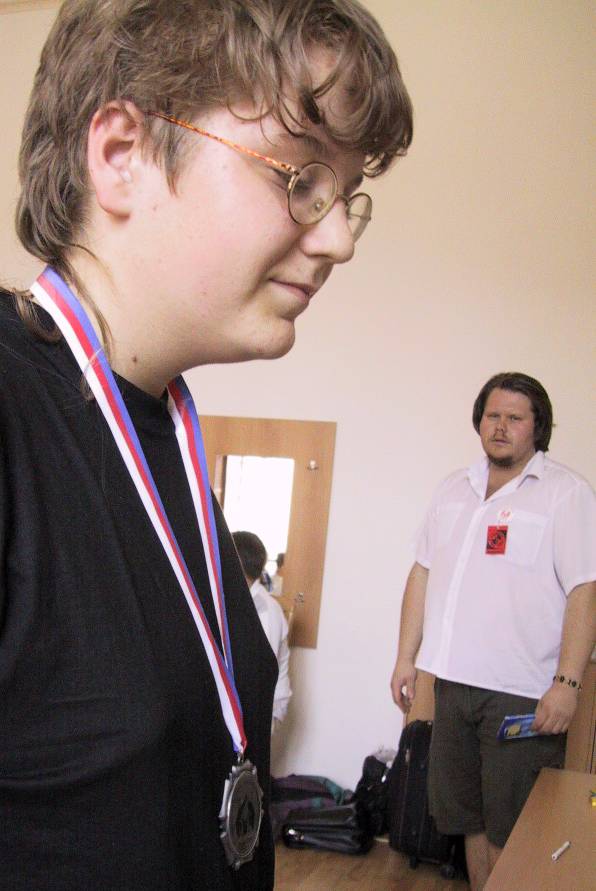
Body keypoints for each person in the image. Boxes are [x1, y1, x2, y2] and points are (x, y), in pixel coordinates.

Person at [0, 1, 413, 888]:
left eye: (347, 196)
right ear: (123, 155)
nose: (339, 238)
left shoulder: (163, 431)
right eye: (301, 176)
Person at [390, 372, 595, 891]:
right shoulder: (453, 489)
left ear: (537, 427)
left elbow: (585, 590)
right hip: (451, 684)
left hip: (521, 693)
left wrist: (568, 684)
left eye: (515, 418)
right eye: (492, 415)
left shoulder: (566, 494)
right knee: (468, 821)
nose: (500, 427)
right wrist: (405, 658)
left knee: (515, 827)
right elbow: (422, 573)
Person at [232, 532, 292, 732]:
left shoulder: (264, 609)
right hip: (250, 704)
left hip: (261, 710)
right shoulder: (244, 601)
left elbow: (257, 674)